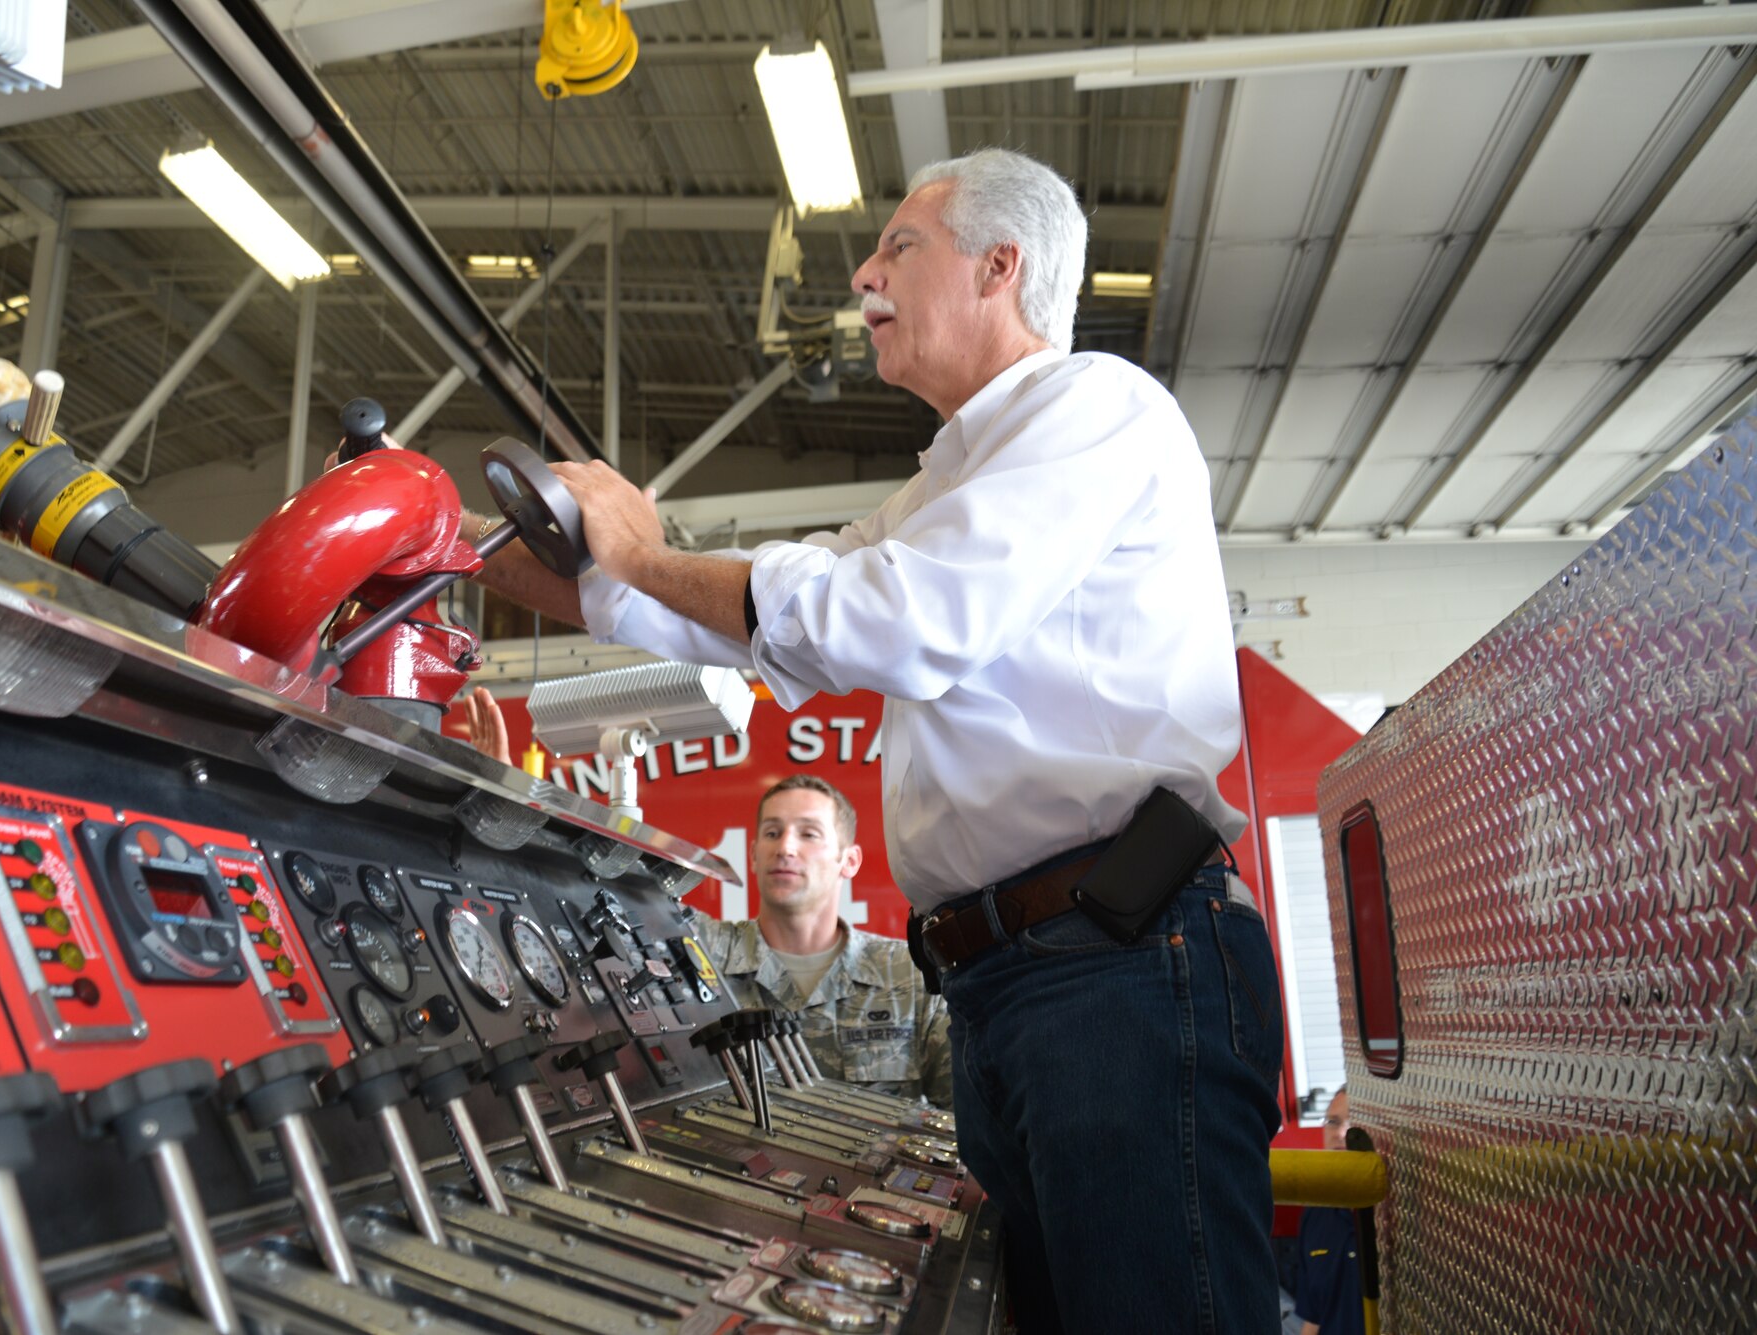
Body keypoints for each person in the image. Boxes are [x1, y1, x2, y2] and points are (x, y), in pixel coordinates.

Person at [460, 147, 1283, 1332]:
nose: (862, 274)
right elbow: (762, 626)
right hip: (1014, 981)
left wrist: (639, 554)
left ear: (1001, 266)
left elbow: (897, 622)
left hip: (1121, 966)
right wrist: (524, 566)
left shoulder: (1092, 405)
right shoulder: (941, 491)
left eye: (899, 245)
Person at [461, 689, 951, 1105]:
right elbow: (579, 896)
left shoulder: (907, 977)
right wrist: (512, 807)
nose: (786, 847)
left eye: (809, 834)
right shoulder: (694, 950)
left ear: (850, 861)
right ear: (753, 853)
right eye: (773, 833)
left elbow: (969, 1116)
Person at [1293, 1090, 1366, 1335]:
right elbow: (1314, 1319)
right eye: (1333, 1122)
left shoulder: (1406, 1216)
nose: (1340, 1133)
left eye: (1354, 1123)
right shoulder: (1316, 1214)